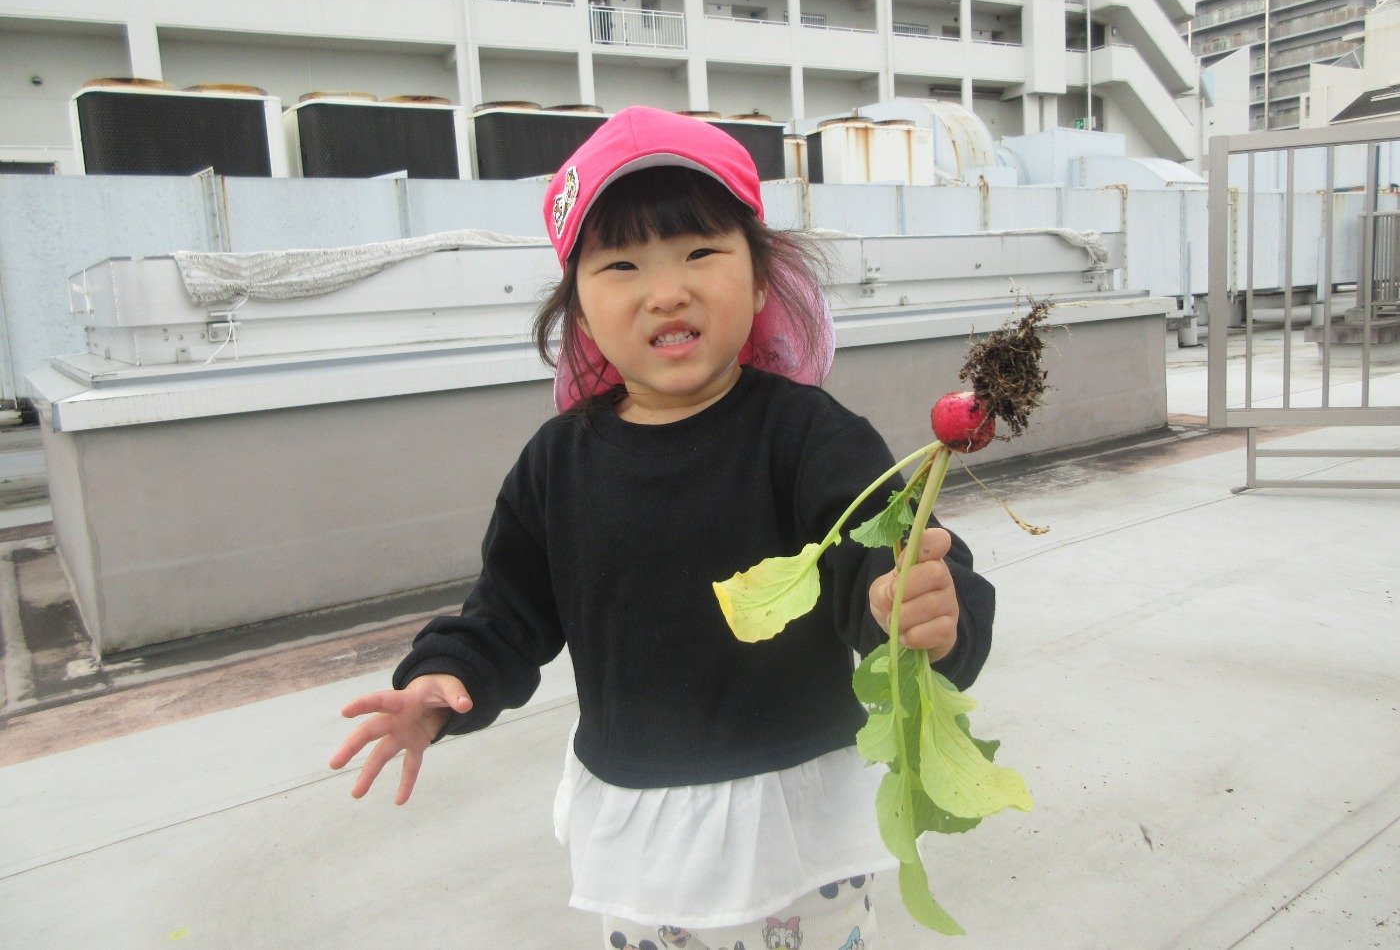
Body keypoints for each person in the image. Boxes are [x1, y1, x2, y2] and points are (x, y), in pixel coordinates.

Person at [330, 106, 996, 948]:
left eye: (700, 252)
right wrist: (443, 682)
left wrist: (925, 611)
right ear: (579, 309)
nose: (667, 289)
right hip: (646, 831)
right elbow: (505, 613)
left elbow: (887, 561)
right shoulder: (555, 465)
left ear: (762, 281)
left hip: (801, 820)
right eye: (621, 264)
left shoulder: (808, 435)